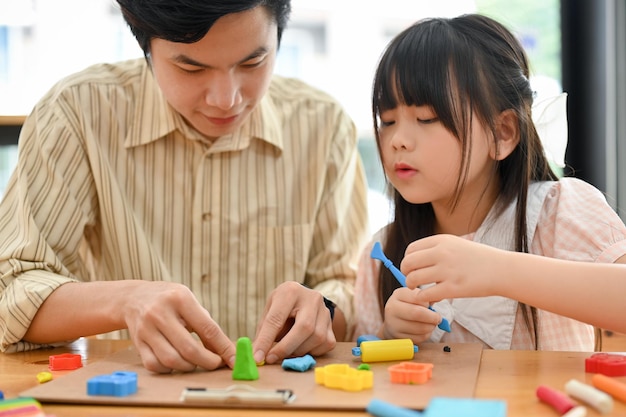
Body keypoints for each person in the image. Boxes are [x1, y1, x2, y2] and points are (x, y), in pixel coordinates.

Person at [0, 0, 369, 373]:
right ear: (146, 49)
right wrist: (125, 301)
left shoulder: (324, 126)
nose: (226, 99)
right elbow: (12, 292)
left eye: (252, 63)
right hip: (129, 398)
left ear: (278, 39)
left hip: (282, 398)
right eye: (191, 67)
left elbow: (347, 288)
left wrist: (321, 311)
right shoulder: (77, 113)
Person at [353, 13, 626, 351]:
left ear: (502, 133)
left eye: (427, 118)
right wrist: (390, 335)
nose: (398, 140)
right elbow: (363, 371)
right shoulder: (380, 255)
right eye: (387, 120)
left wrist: (497, 269)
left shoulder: (559, 213)